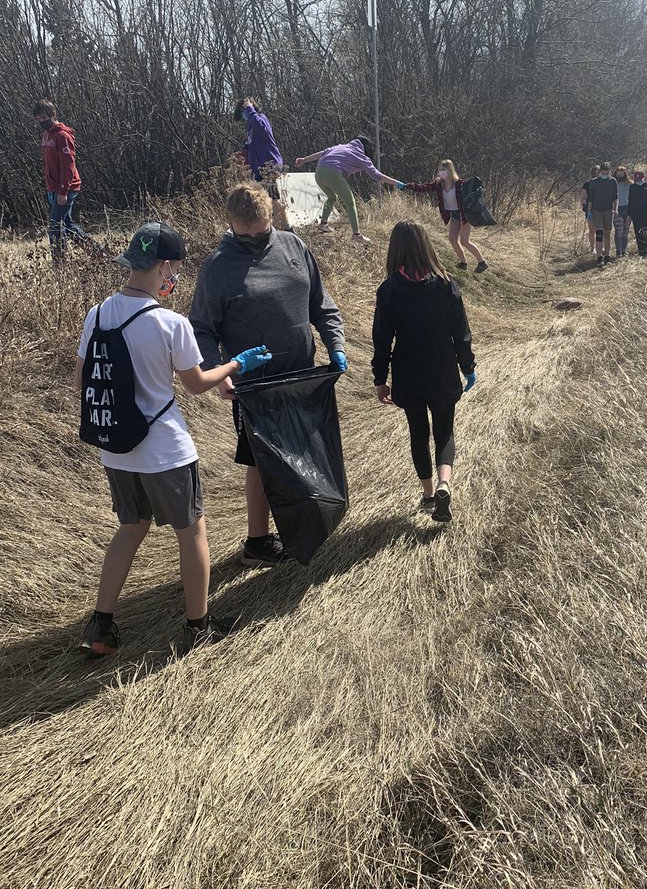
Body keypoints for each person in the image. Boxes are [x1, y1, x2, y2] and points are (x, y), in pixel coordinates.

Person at [74, 221, 272, 656]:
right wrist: (237, 365)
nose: (174, 277)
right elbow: (198, 383)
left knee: (130, 527)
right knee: (192, 531)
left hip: (117, 450)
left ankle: (100, 627)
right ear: (163, 266)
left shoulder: (98, 314)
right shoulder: (170, 323)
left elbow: (82, 380)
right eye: (174, 269)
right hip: (164, 450)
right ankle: (198, 626)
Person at [189, 184, 347, 565]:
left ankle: (311, 522)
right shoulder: (217, 267)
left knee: (308, 449)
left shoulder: (294, 247)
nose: (254, 241)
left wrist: (336, 345)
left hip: (302, 377)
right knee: (261, 462)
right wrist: (217, 371)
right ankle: (257, 543)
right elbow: (201, 328)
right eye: (245, 235)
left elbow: (321, 306)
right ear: (230, 224)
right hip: (255, 388)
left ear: (271, 218)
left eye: (261, 232)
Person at [372, 221, 476, 523]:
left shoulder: (389, 290)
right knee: (445, 431)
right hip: (442, 369)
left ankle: (429, 495)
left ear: (395, 250)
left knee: (418, 433)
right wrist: (467, 367)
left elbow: (381, 339)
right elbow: (462, 333)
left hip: (407, 373)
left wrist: (380, 378)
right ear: (426, 246)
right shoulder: (445, 284)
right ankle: (446, 482)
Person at [294, 137, 404, 244]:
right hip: (332, 173)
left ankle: (323, 224)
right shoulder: (361, 157)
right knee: (350, 202)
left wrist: (304, 160)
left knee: (332, 197)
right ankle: (357, 235)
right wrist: (397, 183)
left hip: (319, 172)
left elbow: (322, 153)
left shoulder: (341, 147)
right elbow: (377, 176)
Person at [396, 159, 488, 272]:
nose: (441, 172)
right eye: (440, 170)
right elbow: (423, 187)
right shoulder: (439, 184)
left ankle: (481, 262)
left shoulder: (459, 184)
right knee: (452, 239)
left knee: (465, 241)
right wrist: (407, 186)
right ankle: (463, 263)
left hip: (464, 215)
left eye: (444, 170)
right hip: (453, 214)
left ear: (450, 171)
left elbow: (470, 197)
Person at [33, 99, 90, 260]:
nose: (41, 122)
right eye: (38, 119)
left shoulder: (62, 136)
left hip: (66, 188)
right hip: (53, 188)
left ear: (52, 115)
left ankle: (60, 264)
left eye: (43, 118)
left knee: (55, 227)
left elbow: (68, 166)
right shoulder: (46, 136)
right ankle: (98, 253)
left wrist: (63, 191)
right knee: (67, 224)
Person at [233, 97, 287, 228]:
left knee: (272, 198)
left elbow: (262, 128)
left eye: (243, 112)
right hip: (259, 168)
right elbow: (252, 144)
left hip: (269, 165)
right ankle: (271, 227)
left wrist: (249, 109)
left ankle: (287, 227)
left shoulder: (261, 119)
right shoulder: (250, 127)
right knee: (264, 199)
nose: (243, 116)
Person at [582, 161, 617, 264]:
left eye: (607, 173)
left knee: (607, 234)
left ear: (609, 172)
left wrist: (616, 209)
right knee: (599, 234)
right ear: (600, 172)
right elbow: (590, 198)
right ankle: (599, 258)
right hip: (596, 211)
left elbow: (615, 197)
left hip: (608, 210)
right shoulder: (594, 182)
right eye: (603, 173)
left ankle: (607, 256)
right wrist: (588, 210)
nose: (605, 175)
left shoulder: (613, 181)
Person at [629, 169, 647, 257]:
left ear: (644, 178)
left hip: (645, 211)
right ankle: (642, 250)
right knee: (637, 230)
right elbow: (630, 201)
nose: (638, 181)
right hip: (635, 212)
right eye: (636, 179)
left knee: (645, 230)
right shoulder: (632, 187)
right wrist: (629, 214)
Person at [613, 165, 631, 257]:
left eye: (622, 174)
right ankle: (618, 250)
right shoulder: (613, 183)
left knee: (625, 231)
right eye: (618, 174)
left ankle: (624, 250)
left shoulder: (629, 184)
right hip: (617, 209)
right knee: (619, 230)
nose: (620, 176)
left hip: (627, 209)